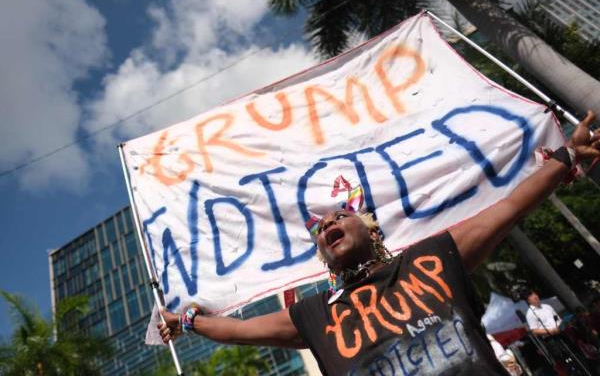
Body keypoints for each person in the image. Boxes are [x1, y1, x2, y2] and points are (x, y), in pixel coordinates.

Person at [158, 112, 600, 375]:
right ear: (322, 256)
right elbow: (237, 330)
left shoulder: (433, 259)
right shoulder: (313, 317)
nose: (329, 222)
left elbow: (510, 207)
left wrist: (567, 158)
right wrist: (188, 321)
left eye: (340, 215)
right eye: (321, 228)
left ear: (372, 230)